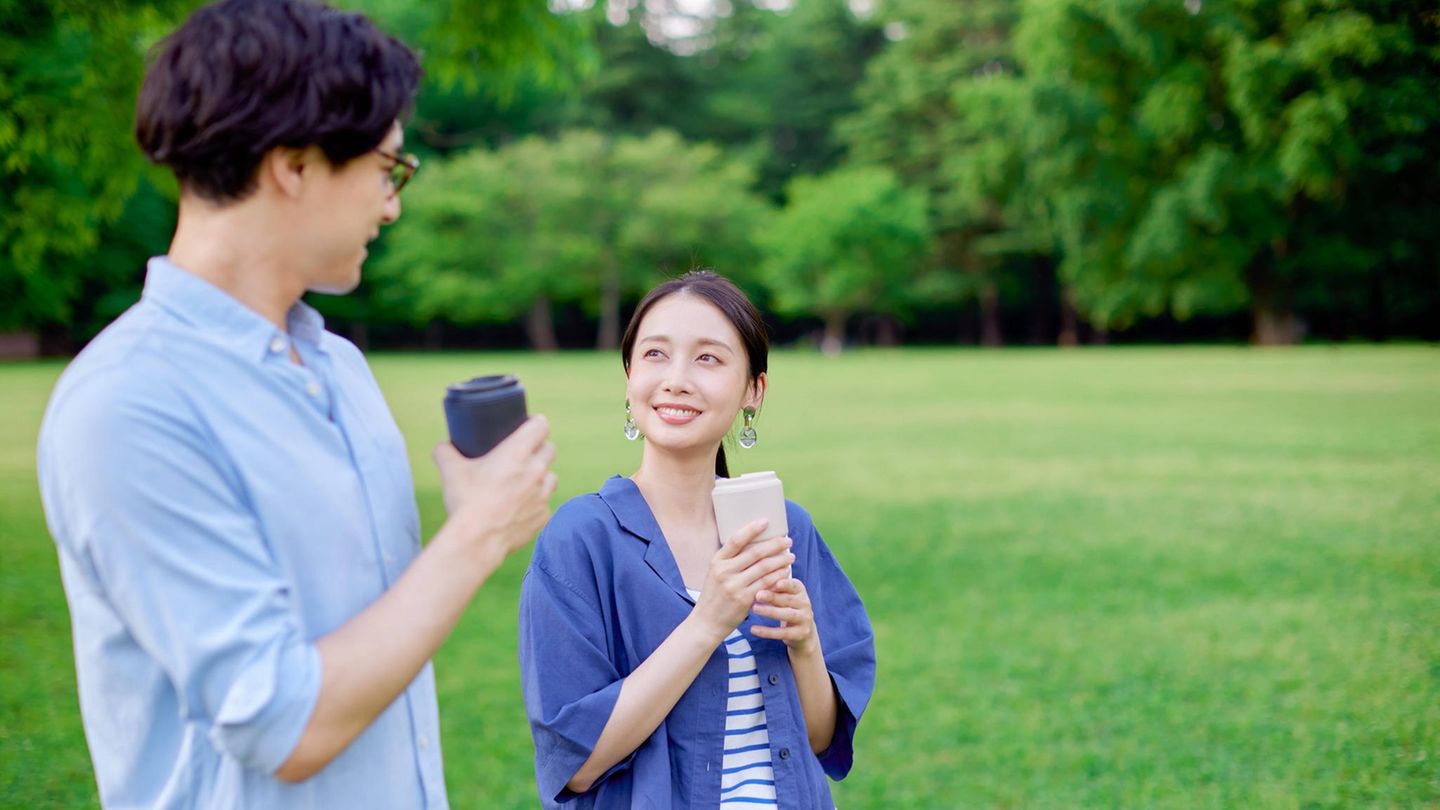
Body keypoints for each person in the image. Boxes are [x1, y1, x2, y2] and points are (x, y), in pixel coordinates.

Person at [35, 1, 556, 807]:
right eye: (387, 169)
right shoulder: (129, 404)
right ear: (296, 165)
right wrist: (479, 533)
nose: (393, 204)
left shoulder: (338, 365)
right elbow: (285, 724)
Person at [518, 271, 875, 808]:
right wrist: (708, 621)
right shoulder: (581, 539)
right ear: (629, 377)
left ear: (753, 390)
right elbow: (578, 765)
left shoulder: (786, 529)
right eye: (655, 354)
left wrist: (805, 646)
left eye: (708, 358)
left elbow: (822, 739)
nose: (676, 379)